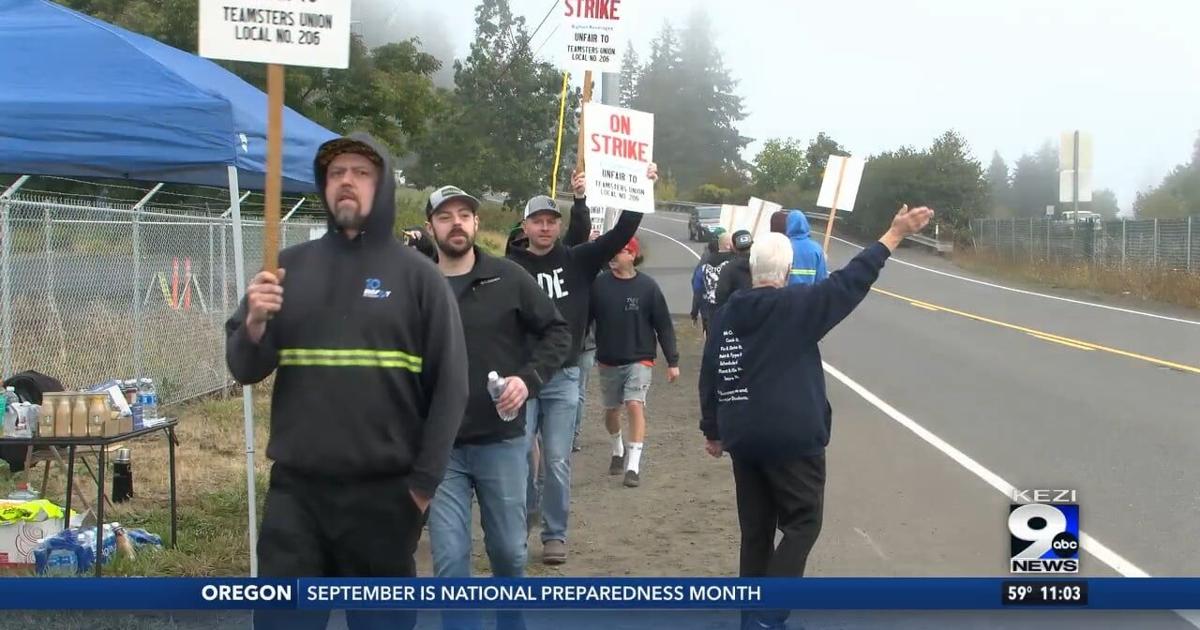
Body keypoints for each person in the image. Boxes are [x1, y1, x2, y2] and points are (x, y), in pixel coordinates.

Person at [226, 133, 469, 630]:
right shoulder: (286, 269)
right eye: (336, 174)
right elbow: (245, 369)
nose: (346, 182)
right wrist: (253, 323)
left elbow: (451, 389)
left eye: (360, 172)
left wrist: (421, 488)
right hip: (297, 496)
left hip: (384, 499)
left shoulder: (419, 277)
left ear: (381, 185)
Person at [698, 205, 933, 630]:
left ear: (752, 268)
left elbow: (710, 370)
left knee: (756, 532)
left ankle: (751, 616)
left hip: (743, 436)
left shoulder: (730, 312)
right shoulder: (797, 307)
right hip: (792, 437)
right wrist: (893, 234)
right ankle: (770, 615)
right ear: (787, 270)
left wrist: (712, 428)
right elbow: (851, 281)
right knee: (803, 523)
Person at [420, 185, 572, 630]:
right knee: (449, 561)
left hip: (502, 441)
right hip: (439, 447)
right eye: (445, 217)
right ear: (431, 227)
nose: (456, 223)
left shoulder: (508, 277)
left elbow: (557, 333)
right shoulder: (418, 284)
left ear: (476, 224)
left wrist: (527, 381)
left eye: (464, 215)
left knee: (508, 551)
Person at [506, 163, 657, 564]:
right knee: (521, 455)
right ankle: (522, 523)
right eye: (537, 221)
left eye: (550, 221)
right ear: (525, 226)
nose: (544, 227)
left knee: (556, 458)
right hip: (523, 377)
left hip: (564, 375)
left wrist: (640, 190)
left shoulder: (578, 260)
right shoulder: (511, 269)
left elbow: (621, 235)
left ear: (558, 226)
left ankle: (555, 534)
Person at [589, 236, 680, 488]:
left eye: (618, 252)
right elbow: (584, 319)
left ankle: (633, 466)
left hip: (640, 357)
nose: (613, 257)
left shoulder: (648, 287)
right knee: (611, 411)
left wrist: (672, 360)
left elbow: (663, 325)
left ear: (632, 255)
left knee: (634, 404)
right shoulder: (598, 285)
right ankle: (617, 447)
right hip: (608, 359)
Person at [693, 230, 735, 335]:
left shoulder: (704, 266)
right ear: (728, 245)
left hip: (709, 312)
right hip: (731, 312)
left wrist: (695, 309)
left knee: (712, 341)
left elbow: (697, 288)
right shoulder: (735, 264)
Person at [784, 210, 829, 285]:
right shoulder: (817, 249)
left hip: (786, 294)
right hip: (809, 295)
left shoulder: (784, 246)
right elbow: (822, 279)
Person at [715, 229, 754, 308]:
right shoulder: (761, 264)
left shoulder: (728, 268)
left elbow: (721, 294)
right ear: (752, 245)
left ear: (734, 247)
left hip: (738, 312)